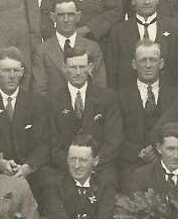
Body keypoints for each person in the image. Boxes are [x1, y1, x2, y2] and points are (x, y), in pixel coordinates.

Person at [0, 47, 50, 196]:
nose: (11, 76)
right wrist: (0, 163)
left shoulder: (36, 102)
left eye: (16, 71)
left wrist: (27, 167)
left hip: (30, 170)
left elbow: (44, 143)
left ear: (22, 72)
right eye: (5, 70)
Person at [47, 48, 123, 187]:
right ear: (64, 68)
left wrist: (93, 163)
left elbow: (114, 139)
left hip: (99, 166)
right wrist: (73, 165)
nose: (77, 72)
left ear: (90, 67)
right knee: (52, 184)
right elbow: (53, 142)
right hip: (65, 167)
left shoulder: (107, 97)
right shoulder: (52, 100)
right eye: (73, 67)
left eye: (82, 67)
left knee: (108, 180)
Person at [105, 0, 178, 89]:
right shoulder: (118, 32)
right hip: (129, 100)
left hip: (171, 100)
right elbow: (112, 74)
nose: (146, 2)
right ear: (132, 0)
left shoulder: (176, 29)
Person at [117, 41, 178, 174]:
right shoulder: (120, 96)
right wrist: (137, 152)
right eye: (143, 60)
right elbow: (116, 134)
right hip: (132, 164)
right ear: (134, 64)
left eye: (153, 60)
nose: (148, 65)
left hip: (169, 162)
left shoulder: (176, 95)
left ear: (161, 63)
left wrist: (160, 150)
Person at [42, 134, 116, 219]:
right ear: (67, 160)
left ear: (95, 161)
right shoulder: (54, 185)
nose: (76, 166)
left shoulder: (105, 185)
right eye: (73, 159)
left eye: (83, 160)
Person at [36, 0, 107, 95]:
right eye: (61, 15)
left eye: (70, 15)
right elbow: (40, 91)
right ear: (53, 17)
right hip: (53, 107)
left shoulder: (93, 48)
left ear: (78, 17)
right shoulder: (42, 50)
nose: (66, 19)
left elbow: (100, 87)